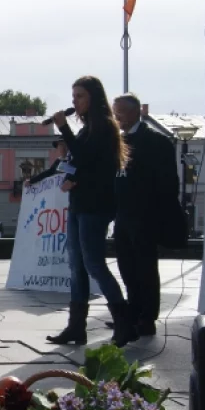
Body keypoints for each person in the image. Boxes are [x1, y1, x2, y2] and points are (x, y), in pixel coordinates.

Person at [47, 75, 136, 347]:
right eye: (73, 97)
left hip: (96, 206)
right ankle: (76, 327)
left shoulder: (106, 127)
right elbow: (87, 164)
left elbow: (86, 157)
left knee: (94, 264)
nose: (75, 102)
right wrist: (73, 178)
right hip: (79, 203)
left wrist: (64, 128)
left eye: (80, 97)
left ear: (93, 98)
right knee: (76, 267)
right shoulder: (88, 128)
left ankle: (125, 323)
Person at [112, 93, 179, 337]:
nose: (116, 117)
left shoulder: (155, 141)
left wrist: (156, 212)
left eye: (119, 112)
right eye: (114, 112)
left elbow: (169, 183)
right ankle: (133, 312)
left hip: (145, 215)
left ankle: (147, 317)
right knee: (127, 268)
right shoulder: (119, 140)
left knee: (145, 268)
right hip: (123, 214)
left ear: (135, 112)